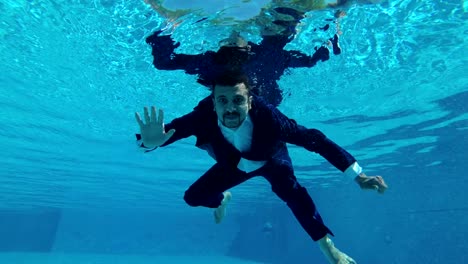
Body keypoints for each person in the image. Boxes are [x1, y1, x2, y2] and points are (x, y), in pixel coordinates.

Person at [134, 71, 388, 264]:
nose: (230, 107)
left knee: (294, 196)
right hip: (232, 165)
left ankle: (327, 247)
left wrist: (359, 176)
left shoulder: (272, 120)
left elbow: (317, 141)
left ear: (250, 101)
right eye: (222, 100)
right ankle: (222, 199)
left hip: (272, 160)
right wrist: (150, 143)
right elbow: (162, 135)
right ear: (213, 103)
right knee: (193, 197)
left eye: (238, 100)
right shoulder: (202, 117)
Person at [146, 7, 341, 107]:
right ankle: (299, 14)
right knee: (276, 38)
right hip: (264, 94)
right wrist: (331, 38)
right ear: (248, 47)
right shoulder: (269, 56)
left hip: (257, 92)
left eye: (227, 41)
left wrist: (169, 26)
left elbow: (165, 63)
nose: (231, 37)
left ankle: (300, 15)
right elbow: (308, 62)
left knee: (276, 39)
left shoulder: (210, 64)